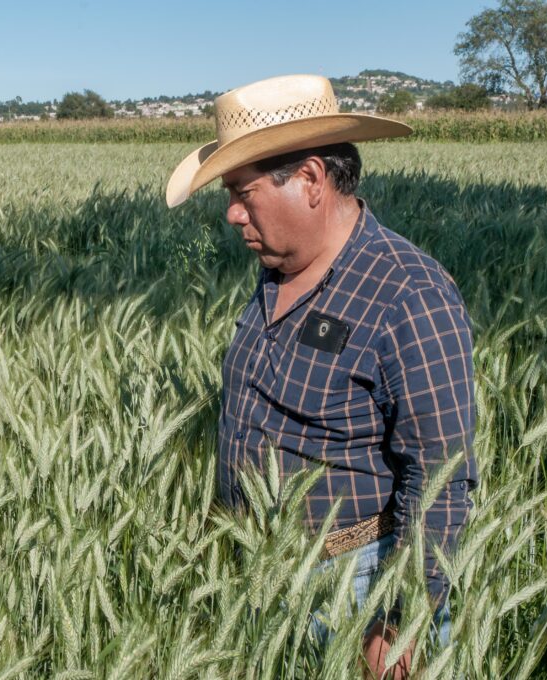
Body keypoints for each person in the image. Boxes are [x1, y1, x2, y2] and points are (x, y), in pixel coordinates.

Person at [166, 75, 476, 679]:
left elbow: (441, 475)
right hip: (257, 572)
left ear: (309, 180)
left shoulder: (409, 294)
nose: (232, 214)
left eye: (243, 192)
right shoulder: (279, 268)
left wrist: (400, 619)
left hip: (353, 592)